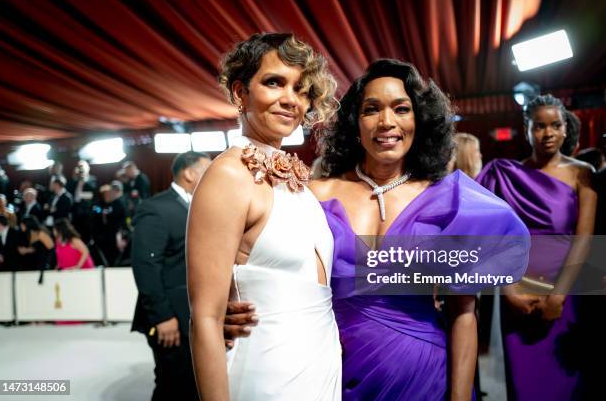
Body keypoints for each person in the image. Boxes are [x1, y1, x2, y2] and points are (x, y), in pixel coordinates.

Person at [225, 59, 529, 400]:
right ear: (356, 122)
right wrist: (230, 303)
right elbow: (260, 254)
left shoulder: (449, 200)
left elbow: (464, 315)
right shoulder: (314, 194)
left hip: (426, 374)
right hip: (330, 370)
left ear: (420, 120)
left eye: (401, 109)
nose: (387, 122)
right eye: (372, 109)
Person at [187, 33, 340, 400]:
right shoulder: (228, 175)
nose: (291, 99)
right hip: (266, 377)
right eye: (275, 82)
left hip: (320, 369)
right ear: (241, 93)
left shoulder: (299, 180)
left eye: (301, 89)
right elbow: (206, 320)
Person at [476, 94, 597, 400]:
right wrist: (510, 291)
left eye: (555, 125)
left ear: (566, 129)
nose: (548, 133)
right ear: (527, 128)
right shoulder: (505, 175)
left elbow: (584, 240)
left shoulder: (583, 173)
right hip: (517, 296)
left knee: (569, 384)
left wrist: (559, 296)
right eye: (539, 126)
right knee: (525, 387)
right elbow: (494, 242)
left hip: (568, 293)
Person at [131, 151, 211, 401]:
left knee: (194, 382)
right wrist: (163, 316)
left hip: (195, 314)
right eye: (206, 170)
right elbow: (146, 265)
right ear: (189, 173)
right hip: (169, 317)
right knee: (173, 384)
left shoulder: (203, 206)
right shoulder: (156, 208)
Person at [67, 160, 98, 242]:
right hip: (75, 212)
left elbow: (92, 194)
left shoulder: (92, 179)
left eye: (82, 167)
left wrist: (84, 179)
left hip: (86, 213)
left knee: (86, 236)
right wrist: (76, 177)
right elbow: (70, 194)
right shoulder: (74, 181)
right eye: (79, 167)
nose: (80, 169)